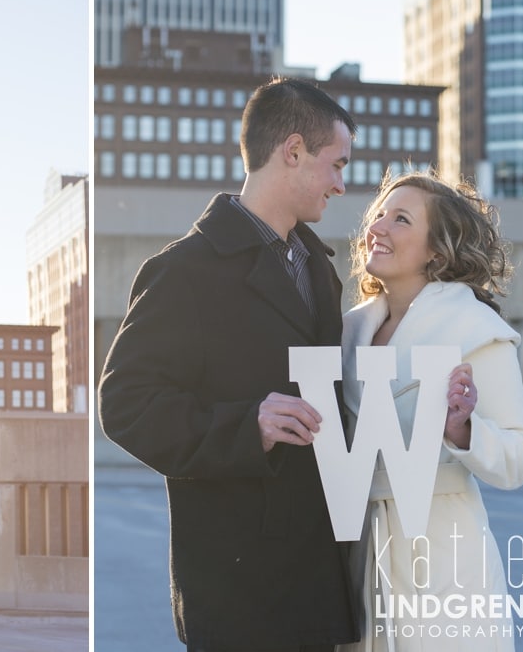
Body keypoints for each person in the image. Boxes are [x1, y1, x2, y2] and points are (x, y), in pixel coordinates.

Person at [98, 76, 361, 651]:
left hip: (317, 580)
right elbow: (124, 404)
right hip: (237, 588)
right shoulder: (184, 270)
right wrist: (249, 426)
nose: (342, 185)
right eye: (336, 164)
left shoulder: (320, 268)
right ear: (292, 151)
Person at [337, 170, 523, 652]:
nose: (378, 227)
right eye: (379, 214)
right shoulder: (346, 332)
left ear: (437, 250)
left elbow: (519, 459)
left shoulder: (473, 329)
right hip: (357, 554)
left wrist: (463, 428)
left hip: (445, 560)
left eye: (400, 219)